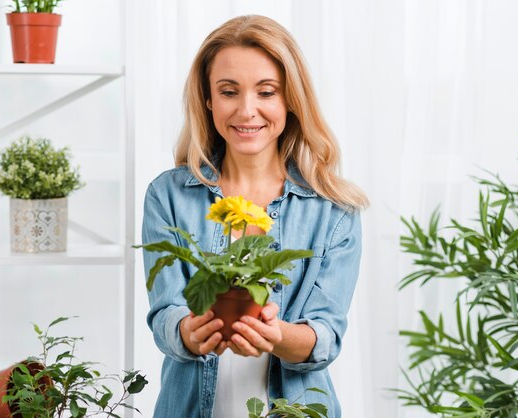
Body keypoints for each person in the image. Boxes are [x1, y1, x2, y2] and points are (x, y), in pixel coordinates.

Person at [141, 14, 368, 418]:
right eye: (229, 91)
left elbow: (325, 336)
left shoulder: (333, 209)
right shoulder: (169, 196)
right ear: (208, 99)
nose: (247, 111)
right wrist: (188, 334)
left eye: (266, 92)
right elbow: (166, 312)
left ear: (290, 101)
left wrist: (274, 334)